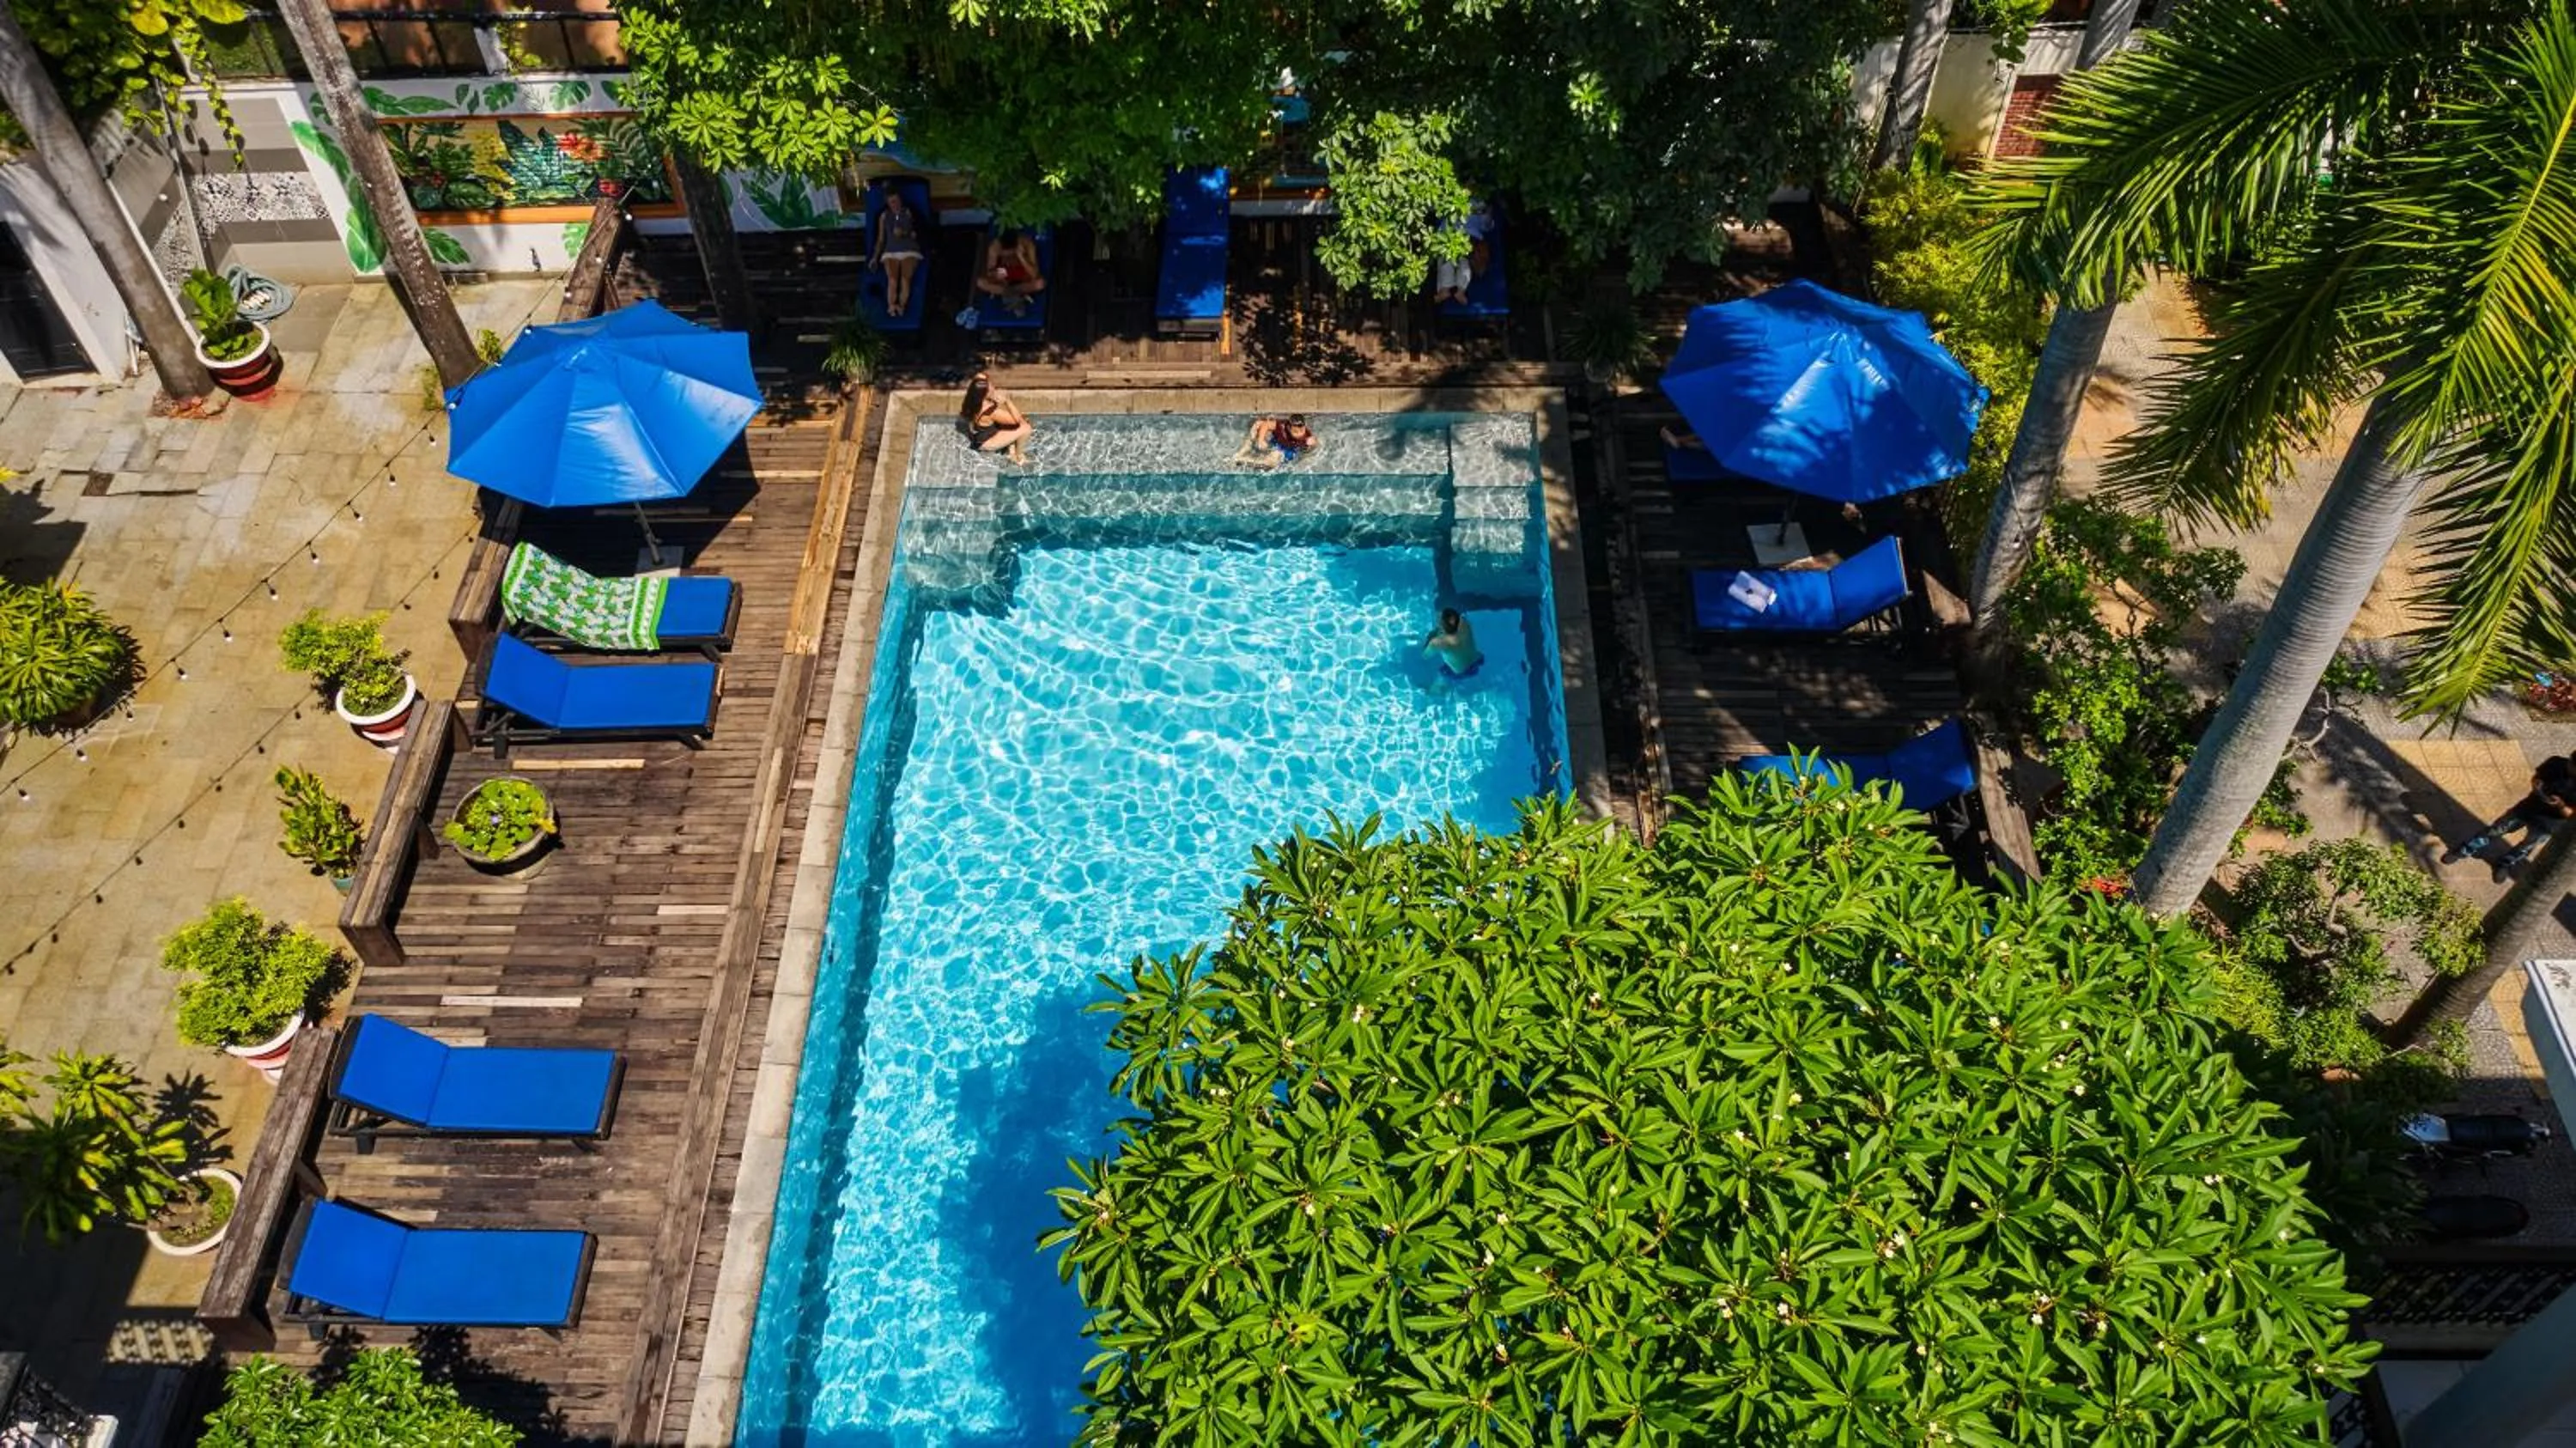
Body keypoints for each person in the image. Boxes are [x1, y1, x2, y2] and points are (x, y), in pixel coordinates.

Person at [2442, 753, 2576, 881]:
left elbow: (2571, 815)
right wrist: (2537, 786)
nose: (2570, 768)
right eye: (2571, 763)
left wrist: (2560, 805)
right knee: (2496, 830)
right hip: (2527, 808)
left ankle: (2504, 863)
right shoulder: (2556, 762)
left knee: (2527, 846)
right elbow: (2536, 778)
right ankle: (2466, 849)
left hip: (2549, 824)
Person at [868, 185, 925, 319]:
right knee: (892, 279)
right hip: (891, 251)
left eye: (898, 201)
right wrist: (874, 258)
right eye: (892, 202)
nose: (896, 204)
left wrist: (904, 233)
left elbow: (919, 233)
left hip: (909, 250)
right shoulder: (884, 216)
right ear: (888, 203)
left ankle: (902, 306)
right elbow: (881, 239)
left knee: (905, 278)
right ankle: (891, 306)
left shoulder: (909, 212)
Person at [958, 370, 1031, 465]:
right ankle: (1020, 456)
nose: (994, 388)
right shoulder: (990, 411)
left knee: (1011, 423)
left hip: (979, 438)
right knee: (1025, 427)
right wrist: (1008, 402)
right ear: (984, 393)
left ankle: (1010, 451)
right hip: (986, 443)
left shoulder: (972, 400)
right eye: (991, 387)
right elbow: (1018, 421)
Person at [1432, 200, 1496, 307]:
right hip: (1451, 234)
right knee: (1449, 261)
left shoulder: (1481, 203)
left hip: (1467, 237)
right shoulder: (1451, 197)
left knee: (1460, 263)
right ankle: (1447, 289)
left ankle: (1456, 290)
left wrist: (1488, 212)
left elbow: (1487, 224)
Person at [975, 229, 1047, 314]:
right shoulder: (995, 247)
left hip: (1023, 276)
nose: (1008, 256)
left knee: (1040, 284)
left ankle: (1012, 293)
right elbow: (990, 272)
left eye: (1011, 253)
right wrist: (996, 274)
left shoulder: (1028, 245)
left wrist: (1021, 257)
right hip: (1004, 276)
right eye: (1005, 254)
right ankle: (1013, 294)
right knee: (981, 282)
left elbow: (1034, 274)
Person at [1231, 414, 1316, 468]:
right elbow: (1266, 424)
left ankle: (1242, 460)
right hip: (1277, 443)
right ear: (1289, 428)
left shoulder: (1307, 436)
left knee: (1272, 462)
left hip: (1288, 451)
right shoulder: (1282, 426)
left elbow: (1311, 448)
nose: (1300, 434)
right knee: (1258, 424)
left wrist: (1311, 446)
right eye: (1295, 432)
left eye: (1302, 431)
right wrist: (1261, 440)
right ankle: (1242, 451)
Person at [1423, 607, 1481, 677]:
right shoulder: (1465, 623)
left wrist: (1430, 637)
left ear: (1442, 628)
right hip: (1475, 659)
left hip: (1461, 671)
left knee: (1441, 673)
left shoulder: (1439, 642)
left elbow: (1425, 655)